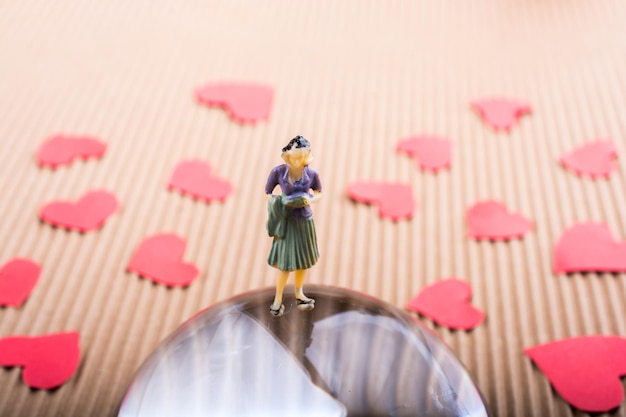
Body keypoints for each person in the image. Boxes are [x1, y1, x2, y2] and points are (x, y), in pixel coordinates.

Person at [265, 135, 322, 316]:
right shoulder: (278, 172)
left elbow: (319, 192)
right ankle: (278, 298)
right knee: (285, 265)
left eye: (302, 156)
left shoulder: (312, 174)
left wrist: (310, 199)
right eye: (296, 156)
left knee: (303, 263)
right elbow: (268, 192)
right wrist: (282, 201)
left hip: (305, 221)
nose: (299, 160)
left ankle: (299, 293)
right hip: (287, 222)